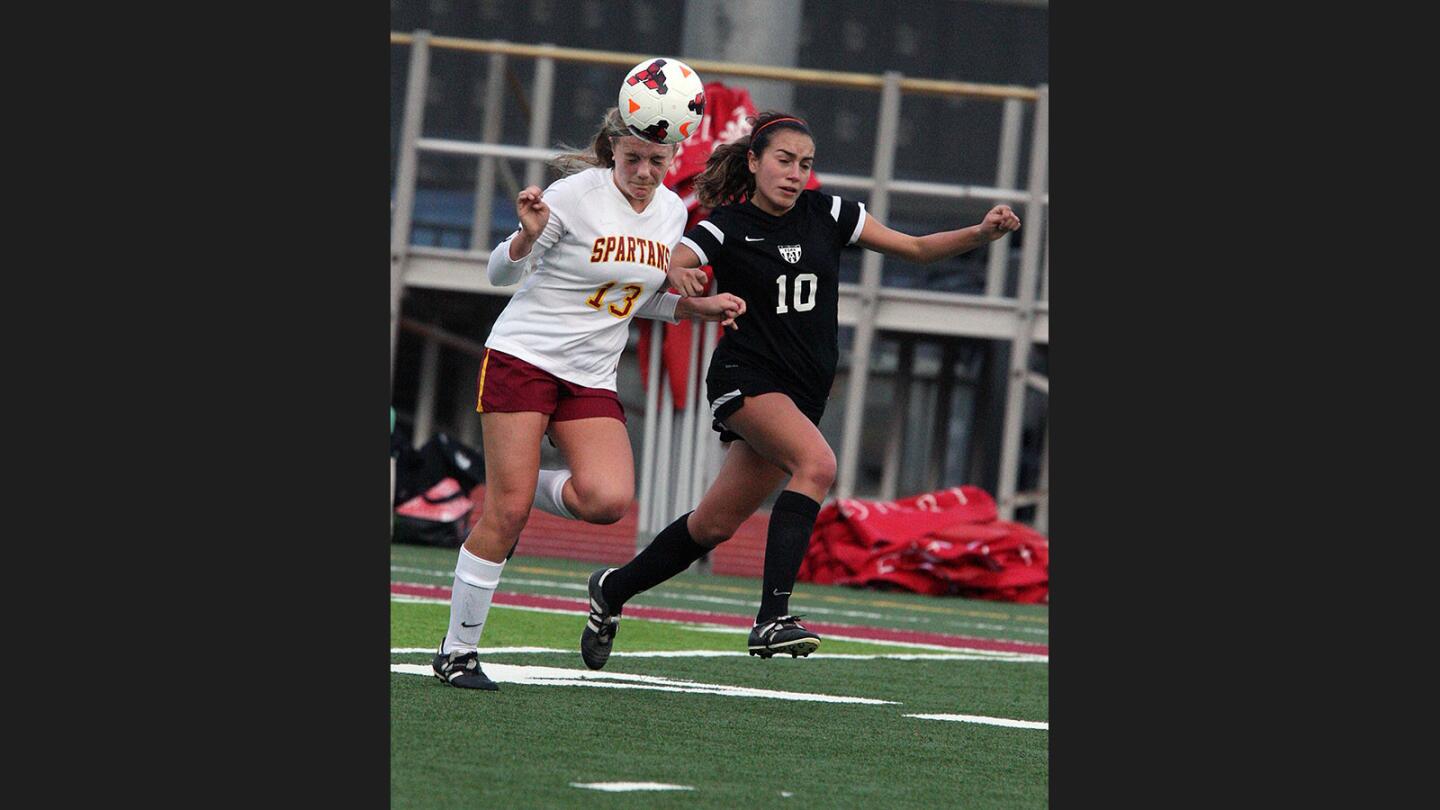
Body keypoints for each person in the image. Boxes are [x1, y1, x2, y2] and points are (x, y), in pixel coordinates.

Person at [579, 111, 1021, 668]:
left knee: (713, 525)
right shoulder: (727, 225)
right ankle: (772, 618)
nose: (794, 174)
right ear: (755, 162)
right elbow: (680, 255)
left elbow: (915, 249)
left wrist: (981, 233)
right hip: (747, 379)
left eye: (804, 164)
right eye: (784, 161)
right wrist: (678, 269)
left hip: (803, 390)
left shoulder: (829, 212)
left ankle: (612, 590)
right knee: (817, 464)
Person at [433, 107, 748, 690]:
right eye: (633, 158)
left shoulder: (672, 211)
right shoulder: (574, 195)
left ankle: (518, 481)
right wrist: (526, 234)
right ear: (611, 150)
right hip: (523, 357)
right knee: (506, 514)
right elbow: (497, 273)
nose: (645, 171)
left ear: (675, 156)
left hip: (589, 375)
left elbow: (634, 295)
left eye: (658, 160)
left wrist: (695, 307)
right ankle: (457, 652)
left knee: (608, 500)